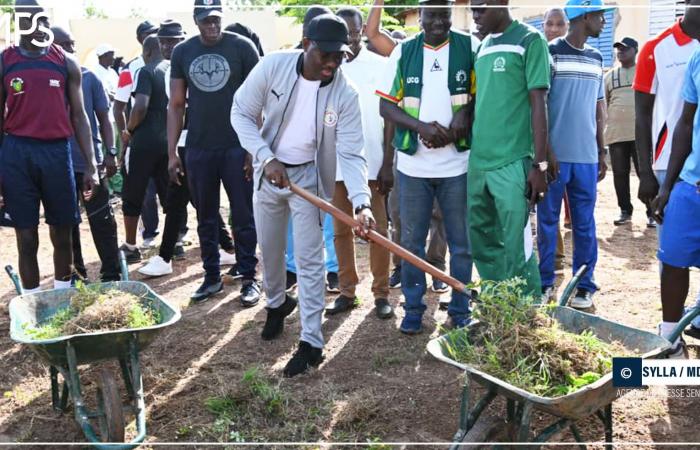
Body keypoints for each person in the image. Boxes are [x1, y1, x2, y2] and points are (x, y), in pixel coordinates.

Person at [231, 13, 373, 376]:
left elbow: (352, 152)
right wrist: (266, 157)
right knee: (272, 250)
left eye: (338, 55)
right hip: (269, 175)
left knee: (311, 262)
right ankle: (277, 304)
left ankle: (311, 342)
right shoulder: (273, 66)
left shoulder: (345, 92)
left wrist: (361, 202)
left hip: (308, 180)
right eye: (324, 53)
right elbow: (241, 113)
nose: (331, 62)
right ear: (306, 43)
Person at [378, 0, 476, 334]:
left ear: (451, 16)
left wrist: (465, 114)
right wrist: (423, 129)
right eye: (431, 16)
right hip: (413, 167)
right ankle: (414, 309)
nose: (438, 23)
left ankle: (461, 310)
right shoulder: (403, 52)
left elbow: (482, 93)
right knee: (411, 243)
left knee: (462, 243)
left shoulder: (469, 46)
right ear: (419, 17)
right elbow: (386, 106)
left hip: (457, 165)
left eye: (444, 16)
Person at [0, 0, 96, 293]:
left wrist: (91, 163)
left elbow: (80, 116)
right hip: (17, 153)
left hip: (56, 152)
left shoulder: (65, 61)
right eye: (23, 17)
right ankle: (32, 302)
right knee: (26, 236)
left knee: (63, 232)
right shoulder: (5, 61)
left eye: (36, 16)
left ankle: (62, 299)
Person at [169, 0, 261, 304]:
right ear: (196, 20)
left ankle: (249, 276)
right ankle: (211, 277)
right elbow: (176, 104)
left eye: (216, 20)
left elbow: (258, 100)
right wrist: (172, 151)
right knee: (205, 215)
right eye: (206, 20)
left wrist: (254, 147)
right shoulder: (183, 52)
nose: (212, 26)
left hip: (237, 145)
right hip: (198, 146)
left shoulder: (242, 47)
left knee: (243, 213)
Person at [138, 20, 237, 277]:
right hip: (181, 145)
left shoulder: (197, 63)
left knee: (187, 199)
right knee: (186, 199)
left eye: (173, 40)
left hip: (198, 144)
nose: (168, 46)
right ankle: (222, 247)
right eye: (163, 41)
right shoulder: (166, 68)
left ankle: (168, 256)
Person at [366, 0, 450, 295]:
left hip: (446, 150)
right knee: (400, 213)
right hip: (407, 150)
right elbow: (372, 32)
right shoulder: (403, 54)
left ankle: (437, 267)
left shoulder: (454, 50)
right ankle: (403, 267)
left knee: (440, 215)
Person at [469, 0, 550, 297]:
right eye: (472, 10)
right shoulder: (483, 45)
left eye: (481, 9)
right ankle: (497, 308)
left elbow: (539, 103)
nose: (476, 16)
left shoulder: (530, 40)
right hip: (479, 162)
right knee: (483, 240)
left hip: (513, 160)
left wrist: (539, 165)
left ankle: (528, 315)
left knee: (517, 244)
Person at [537, 0, 611, 309]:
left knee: (584, 224)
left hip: (586, 158)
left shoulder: (596, 57)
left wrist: (601, 149)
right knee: (547, 222)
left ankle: (584, 286)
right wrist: (546, 151)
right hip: (555, 158)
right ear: (583, 17)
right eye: (599, 16)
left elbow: (598, 107)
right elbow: (539, 104)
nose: (603, 22)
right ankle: (544, 285)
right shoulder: (550, 52)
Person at [634, 0, 700, 335]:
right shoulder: (657, 48)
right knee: (673, 254)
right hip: (673, 170)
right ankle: (670, 333)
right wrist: (649, 175)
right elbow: (645, 113)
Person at [324, 7, 394, 320]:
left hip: (372, 162)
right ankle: (346, 291)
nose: (350, 39)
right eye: (344, 33)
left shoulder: (380, 66)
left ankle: (381, 293)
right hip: (334, 164)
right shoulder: (327, 68)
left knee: (377, 229)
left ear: (363, 29)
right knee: (341, 231)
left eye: (354, 32)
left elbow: (390, 117)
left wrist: (388, 161)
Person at [52, 26, 121, 283]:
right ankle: (77, 276)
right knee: (68, 225)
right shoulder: (47, 82)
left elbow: (104, 118)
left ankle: (112, 273)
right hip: (59, 165)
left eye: (72, 44)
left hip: (90, 163)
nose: (71, 50)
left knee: (102, 218)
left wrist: (111, 153)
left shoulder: (89, 77)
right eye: (64, 45)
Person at [284, 4, 340, 294]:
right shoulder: (290, 63)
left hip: (325, 154)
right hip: (293, 158)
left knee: (327, 213)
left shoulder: (334, 62)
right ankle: (291, 268)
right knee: (294, 219)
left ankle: (332, 269)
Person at [650, 44, 700, 358]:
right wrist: (668, 185)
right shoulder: (698, 58)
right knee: (673, 260)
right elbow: (684, 123)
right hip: (691, 184)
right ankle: (670, 337)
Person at [118, 36, 171, 265]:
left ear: (147, 51)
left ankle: (131, 246)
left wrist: (128, 130)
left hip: (143, 144)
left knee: (133, 194)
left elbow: (139, 107)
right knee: (169, 194)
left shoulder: (146, 72)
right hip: (168, 141)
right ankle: (174, 243)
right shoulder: (172, 69)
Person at [113, 20, 161, 248]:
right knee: (143, 192)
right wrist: (126, 134)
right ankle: (147, 235)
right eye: (150, 34)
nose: (156, 37)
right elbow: (119, 106)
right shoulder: (129, 69)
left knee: (171, 191)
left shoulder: (173, 64)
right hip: (140, 140)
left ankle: (175, 239)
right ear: (141, 39)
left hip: (166, 140)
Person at [606, 37, 654, 227]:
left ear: (635, 50)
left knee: (645, 173)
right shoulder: (610, 76)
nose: (620, 52)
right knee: (619, 173)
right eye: (618, 49)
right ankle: (625, 210)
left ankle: (652, 211)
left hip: (641, 135)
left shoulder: (644, 71)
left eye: (625, 49)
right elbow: (604, 102)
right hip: (617, 134)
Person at [542, 6, 570, 274]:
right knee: (545, 205)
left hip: (566, 144)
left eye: (558, 24)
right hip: (539, 141)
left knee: (558, 203)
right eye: (549, 24)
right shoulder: (538, 52)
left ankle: (557, 259)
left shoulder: (571, 55)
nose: (553, 29)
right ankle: (550, 259)